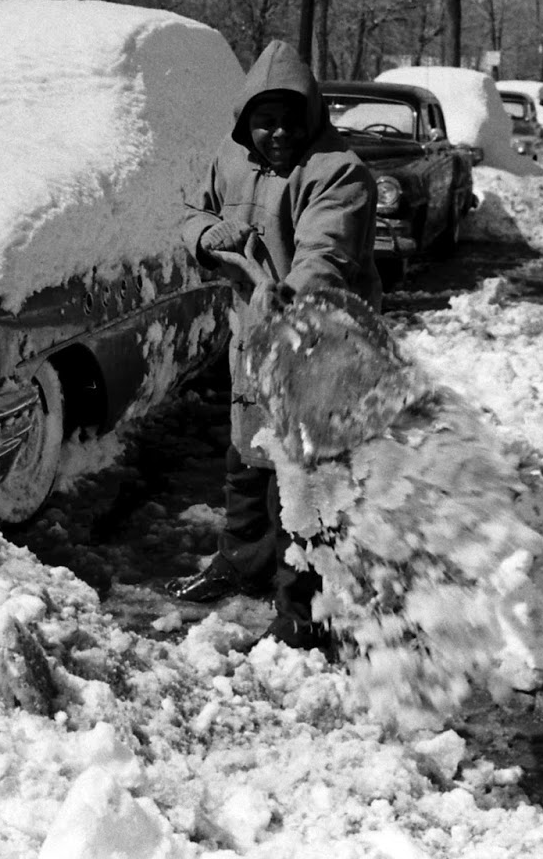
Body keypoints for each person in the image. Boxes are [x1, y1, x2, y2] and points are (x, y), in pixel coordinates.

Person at [170, 39, 381, 653]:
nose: (279, 131)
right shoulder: (229, 161)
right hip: (252, 341)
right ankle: (240, 561)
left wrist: (292, 293)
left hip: (322, 346)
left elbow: (328, 251)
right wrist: (210, 233)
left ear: (312, 112)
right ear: (246, 120)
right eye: (265, 119)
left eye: (291, 117)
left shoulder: (338, 170)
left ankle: (303, 605)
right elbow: (190, 212)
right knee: (246, 460)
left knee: (306, 478)